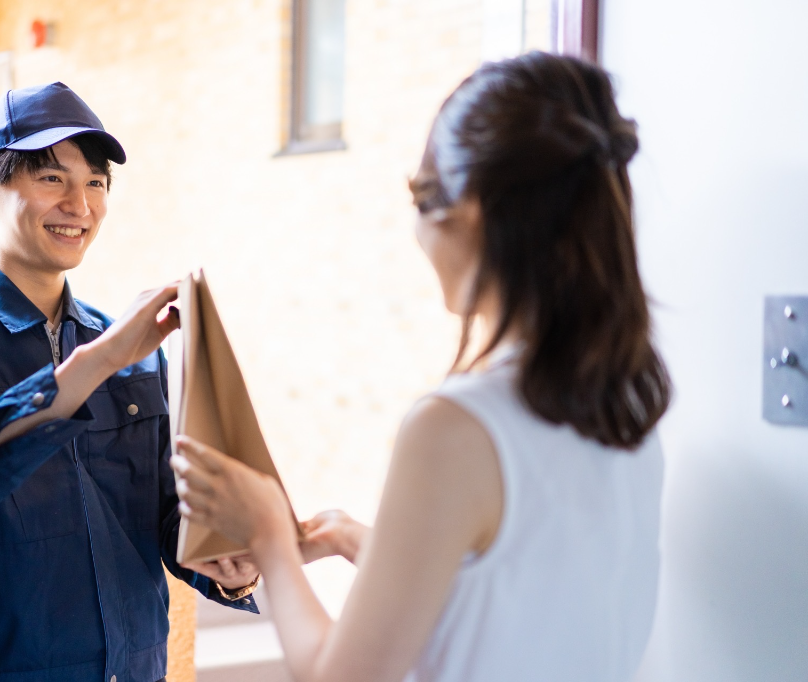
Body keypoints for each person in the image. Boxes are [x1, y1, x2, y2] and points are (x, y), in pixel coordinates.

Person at [171, 52, 672, 682]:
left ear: (466, 216)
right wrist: (359, 540)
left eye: (421, 197)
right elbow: (516, 595)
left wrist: (271, 536)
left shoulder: (456, 426)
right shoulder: (626, 408)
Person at [0, 82, 259, 682]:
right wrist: (93, 364)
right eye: (52, 179)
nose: (81, 204)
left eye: (95, 183)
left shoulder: (129, 346)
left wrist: (228, 566)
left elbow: (163, 514)